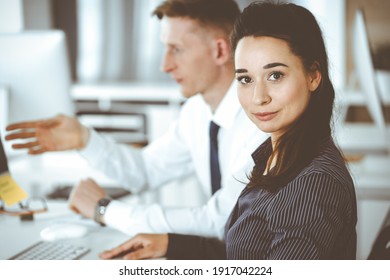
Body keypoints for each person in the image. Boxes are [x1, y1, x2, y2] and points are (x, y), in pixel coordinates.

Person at [99, 1, 358, 260]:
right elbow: (251, 254)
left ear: (313, 76)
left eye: (275, 75)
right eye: (245, 79)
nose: (258, 97)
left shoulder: (312, 184)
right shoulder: (271, 157)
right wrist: (173, 245)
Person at [5, 0, 266, 239]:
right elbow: (146, 170)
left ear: (220, 50)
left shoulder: (261, 119)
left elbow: (221, 221)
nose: (165, 65)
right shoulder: (197, 111)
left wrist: (105, 209)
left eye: (176, 49)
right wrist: (84, 139)